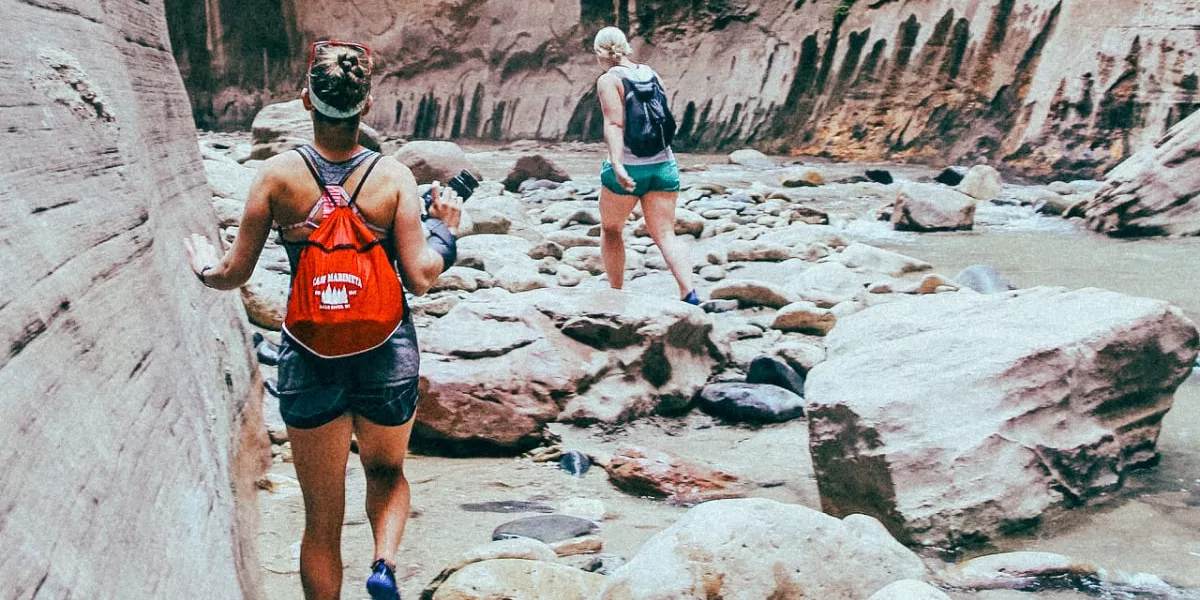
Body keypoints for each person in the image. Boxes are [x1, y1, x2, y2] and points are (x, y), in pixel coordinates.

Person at [184, 40, 461, 600]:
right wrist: (447, 231)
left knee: (321, 519)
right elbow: (421, 276)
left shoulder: (277, 177)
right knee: (386, 472)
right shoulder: (394, 179)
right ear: (367, 105)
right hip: (386, 351)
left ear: (306, 99)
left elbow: (235, 274)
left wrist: (203, 269)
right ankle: (383, 565)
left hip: (310, 355)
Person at [594, 26, 698, 304]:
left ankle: (616, 294)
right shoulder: (651, 73)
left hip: (629, 166)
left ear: (599, 53)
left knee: (612, 229)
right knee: (666, 233)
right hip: (664, 165)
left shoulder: (609, 80)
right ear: (626, 47)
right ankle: (689, 294)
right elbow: (663, 117)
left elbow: (614, 123)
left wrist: (617, 163)